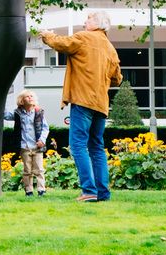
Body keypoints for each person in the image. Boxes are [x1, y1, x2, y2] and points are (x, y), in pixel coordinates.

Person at [40, 11, 122, 202]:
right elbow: (118, 78)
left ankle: (89, 191)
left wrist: (46, 34)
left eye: (89, 19)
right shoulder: (110, 48)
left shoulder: (84, 37)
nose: (85, 21)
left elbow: (60, 43)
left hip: (83, 100)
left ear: (98, 24)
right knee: (97, 148)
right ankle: (103, 193)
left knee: (78, 146)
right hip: (101, 104)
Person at [10, 91, 49, 196]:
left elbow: (45, 128)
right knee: (27, 170)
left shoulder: (38, 113)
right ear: (22, 101)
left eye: (31, 96)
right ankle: (29, 191)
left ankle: (41, 190)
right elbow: (5, 115)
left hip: (37, 146)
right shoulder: (18, 113)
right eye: (27, 97)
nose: (30, 98)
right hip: (25, 146)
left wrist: (42, 140)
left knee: (39, 169)